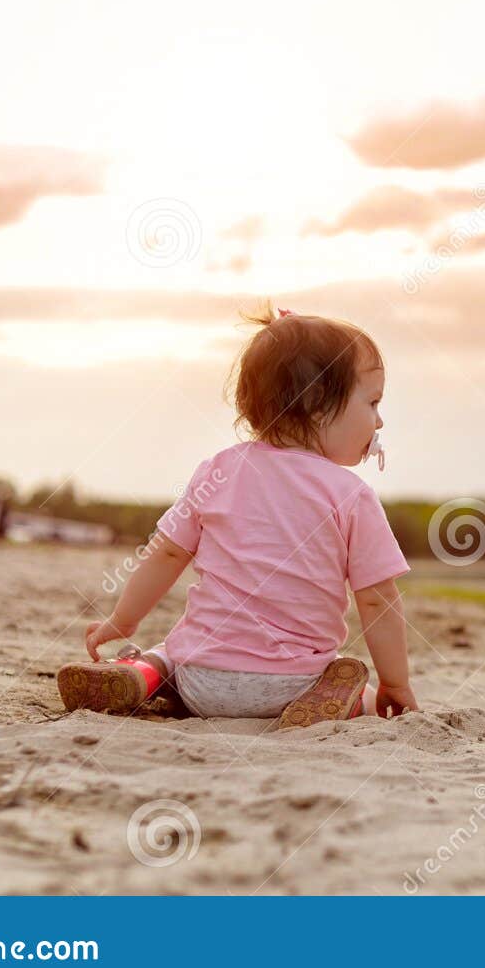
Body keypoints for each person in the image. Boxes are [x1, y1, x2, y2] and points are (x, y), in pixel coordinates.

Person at [56, 304, 417, 727]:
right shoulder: (351, 495)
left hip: (200, 679)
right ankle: (348, 702)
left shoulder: (218, 471)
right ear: (319, 404)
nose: (379, 421)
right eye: (372, 403)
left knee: (170, 650)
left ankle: (141, 673)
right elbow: (376, 597)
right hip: (293, 682)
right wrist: (397, 682)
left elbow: (166, 555)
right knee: (355, 680)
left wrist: (122, 621)